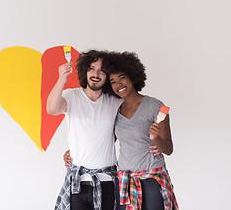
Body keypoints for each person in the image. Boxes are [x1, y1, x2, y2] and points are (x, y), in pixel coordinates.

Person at [64, 51, 178, 210]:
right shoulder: (115, 108)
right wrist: (75, 150)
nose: (118, 84)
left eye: (122, 78)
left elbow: (169, 149)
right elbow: (103, 139)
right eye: (113, 81)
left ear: (133, 76)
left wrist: (156, 139)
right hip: (124, 180)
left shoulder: (156, 106)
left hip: (152, 178)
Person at [47, 50, 123, 210]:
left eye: (102, 70)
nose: (96, 74)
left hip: (106, 182)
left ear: (108, 74)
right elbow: (52, 109)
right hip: (77, 182)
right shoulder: (71, 96)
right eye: (91, 68)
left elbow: (126, 126)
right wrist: (62, 79)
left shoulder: (115, 101)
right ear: (84, 71)